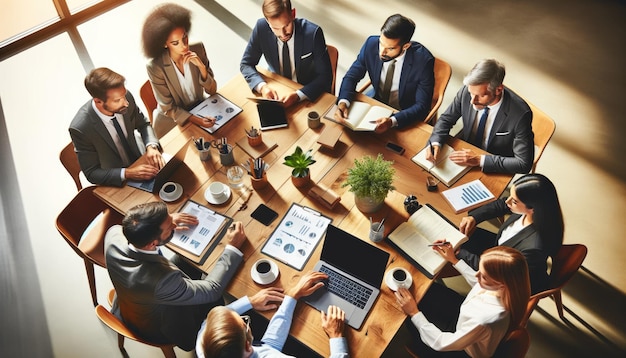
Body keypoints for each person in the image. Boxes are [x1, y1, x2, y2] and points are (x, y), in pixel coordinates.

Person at [105, 201, 285, 351]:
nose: (174, 225)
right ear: (153, 244)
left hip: (130, 304)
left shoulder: (114, 234)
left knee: (187, 263)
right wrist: (233, 247)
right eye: (169, 227)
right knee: (220, 300)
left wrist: (165, 221)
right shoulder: (162, 282)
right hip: (160, 325)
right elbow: (211, 290)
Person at [395, 246, 531, 358]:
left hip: (458, 349)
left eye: (483, 276)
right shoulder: (509, 290)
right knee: (426, 291)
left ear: (501, 285)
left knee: (406, 312)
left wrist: (414, 313)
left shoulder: (486, 319)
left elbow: (441, 343)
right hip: (463, 317)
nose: (477, 275)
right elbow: (478, 283)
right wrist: (454, 260)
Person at [453, 173, 564, 294]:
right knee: (459, 233)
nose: (507, 201)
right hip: (503, 249)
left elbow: (495, 271)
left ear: (533, 208)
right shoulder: (538, 213)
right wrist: (474, 217)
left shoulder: (533, 248)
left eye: (514, 201)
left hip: (509, 280)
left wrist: (459, 253)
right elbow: (501, 204)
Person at [197, 271, 350, 358]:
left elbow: (268, 347)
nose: (245, 320)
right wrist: (336, 336)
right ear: (247, 345)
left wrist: (291, 297)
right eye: (244, 322)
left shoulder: (204, 346)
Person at [426, 59, 534, 174]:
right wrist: (436, 142)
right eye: (471, 93)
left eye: (480, 96)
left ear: (498, 90)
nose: (472, 101)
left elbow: (524, 164)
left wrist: (479, 160)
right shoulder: (467, 91)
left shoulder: (520, 115)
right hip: (464, 149)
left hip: (493, 164)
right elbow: (446, 119)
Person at [334, 14, 435, 133]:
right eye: (381, 43)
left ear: (406, 46)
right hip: (376, 101)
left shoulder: (423, 61)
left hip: (404, 112)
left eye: (390, 48)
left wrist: (392, 121)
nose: (382, 52)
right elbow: (351, 76)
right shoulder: (371, 44)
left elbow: (422, 106)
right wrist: (343, 103)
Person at [69, 67, 165, 187]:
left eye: (124, 96)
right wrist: (128, 173)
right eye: (118, 100)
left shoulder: (125, 97)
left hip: (142, 160)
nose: (125, 103)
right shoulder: (81, 128)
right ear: (98, 101)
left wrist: (151, 147)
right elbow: (91, 173)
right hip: (117, 180)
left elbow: (143, 124)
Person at [142, 3, 218, 138]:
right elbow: (168, 109)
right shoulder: (155, 68)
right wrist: (197, 120)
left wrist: (202, 68)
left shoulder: (198, 49)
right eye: (175, 43)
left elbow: (211, 91)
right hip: (172, 123)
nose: (184, 46)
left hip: (201, 110)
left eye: (185, 37)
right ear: (164, 44)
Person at [240, 0, 333, 107]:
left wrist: (298, 95)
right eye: (275, 28)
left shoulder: (313, 33)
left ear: (293, 14)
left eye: (286, 25)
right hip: (277, 88)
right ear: (267, 22)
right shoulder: (261, 28)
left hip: (305, 92)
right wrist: (262, 87)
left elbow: (325, 76)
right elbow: (246, 64)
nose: (283, 34)